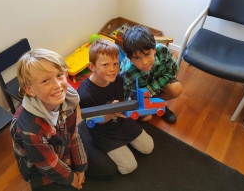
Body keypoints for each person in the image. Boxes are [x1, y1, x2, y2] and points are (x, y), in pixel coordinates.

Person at [10, 48, 88, 191]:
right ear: (30, 90)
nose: (58, 85)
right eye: (45, 81)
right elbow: (46, 164)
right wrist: (71, 177)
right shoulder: (30, 128)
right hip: (39, 167)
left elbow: (73, 134)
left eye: (59, 75)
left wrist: (81, 166)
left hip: (61, 149)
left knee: (104, 170)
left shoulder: (67, 101)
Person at [78, 38, 154, 176]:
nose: (112, 69)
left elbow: (122, 102)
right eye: (105, 65)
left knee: (149, 147)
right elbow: (93, 122)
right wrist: (112, 112)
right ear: (92, 67)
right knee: (129, 167)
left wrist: (131, 109)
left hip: (121, 120)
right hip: (103, 130)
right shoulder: (85, 94)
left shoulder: (118, 78)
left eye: (115, 63)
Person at [121, 25, 182, 123]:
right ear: (129, 58)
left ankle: (157, 104)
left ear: (154, 49)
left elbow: (172, 71)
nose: (144, 62)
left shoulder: (163, 51)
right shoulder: (127, 71)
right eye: (137, 58)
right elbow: (123, 93)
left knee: (176, 89)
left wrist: (150, 92)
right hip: (136, 93)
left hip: (156, 83)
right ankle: (150, 105)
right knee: (146, 118)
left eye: (147, 54)